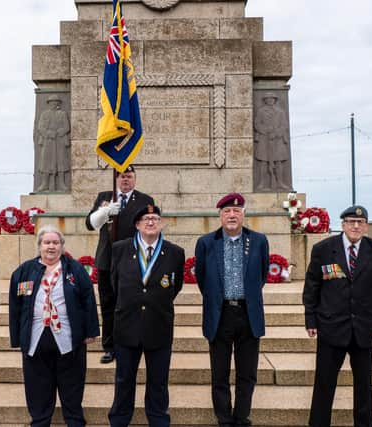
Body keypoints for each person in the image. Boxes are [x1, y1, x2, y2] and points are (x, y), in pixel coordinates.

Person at [303, 205, 372, 427]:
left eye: (360, 222)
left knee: (364, 386)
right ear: (342, 225)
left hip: (365, 329)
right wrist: (311, 319)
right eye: (351, 221)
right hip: (331, 327)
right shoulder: (323, 249)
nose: (355, 226)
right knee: (324, 384)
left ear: (366, 226)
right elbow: (312, 287)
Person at [9, 224, 100, 427]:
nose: (51, 246)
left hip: (68, 339)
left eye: (55, 242)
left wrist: (91, 330)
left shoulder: (75, 269)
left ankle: (75, 422)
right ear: (39, 245)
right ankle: (40, 422)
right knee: (38, 389)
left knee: (72, 388)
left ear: (62, 246)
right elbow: (16, 307)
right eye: (47, 242)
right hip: (36, 339)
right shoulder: (24, 271)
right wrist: (17, 338)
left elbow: (88, 301)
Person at [194, 193, 269, 427]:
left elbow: (262, 274)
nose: (232, 215)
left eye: (237, 211)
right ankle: (224, 418)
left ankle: (241, 417)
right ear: (220, 216)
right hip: (220, 314)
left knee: (247, 373)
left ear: (244, 214)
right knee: (220, 373)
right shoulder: (206, 243)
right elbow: (202, 278)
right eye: (227, 212)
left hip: (248, 314)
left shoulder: (258, 241)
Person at [107, 205, 185, 427]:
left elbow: (174, 286)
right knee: (124, 380)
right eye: (146, 219)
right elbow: (115, 284)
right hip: (127, 326)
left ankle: (158, 419)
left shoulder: (175, 252)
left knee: (158, 382)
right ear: (137, 224)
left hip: (158, 326)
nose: (151, 222)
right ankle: (119, 419)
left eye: (155, 218)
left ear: (161, 223)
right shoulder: (120, 249)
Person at [85, 165, 154, 364]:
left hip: (132, 261)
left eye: (129, 176)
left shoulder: (144, 200)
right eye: (122, 176)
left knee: (131, 304)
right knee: (108, 305)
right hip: (107, 260)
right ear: (116, 179)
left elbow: (149, 227)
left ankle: (129, 344)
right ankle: (109, 347)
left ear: (135, 179)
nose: (125, 180)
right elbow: (90, 224)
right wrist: (105, 211)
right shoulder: (105, 196)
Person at [254, 92, 291, 191]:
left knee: (278, 162)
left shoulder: (281, 112)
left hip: (277, 141)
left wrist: (277, 133)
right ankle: (262, 183)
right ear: (265, 100)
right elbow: (257, 124)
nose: (270, 100)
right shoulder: (261, 111)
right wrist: (265, 130)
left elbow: (284, 125)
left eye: (272, 98)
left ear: (275, 100)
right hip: (264, 139)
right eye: (267, 99)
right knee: (264, 162)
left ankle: (280, 183)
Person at [34, 94, 71, 192]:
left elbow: (67, 127)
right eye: (51, 102)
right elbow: (40, 127)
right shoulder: (44, 114)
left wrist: (59, 132)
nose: (53, 104)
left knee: (61, 162)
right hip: (48, 141)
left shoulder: (62, 114)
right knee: (46, 162)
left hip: (59, 140)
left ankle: (62, 184)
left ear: (58, 103)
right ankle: (44, 184)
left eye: (55, 102)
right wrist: (48, 133)